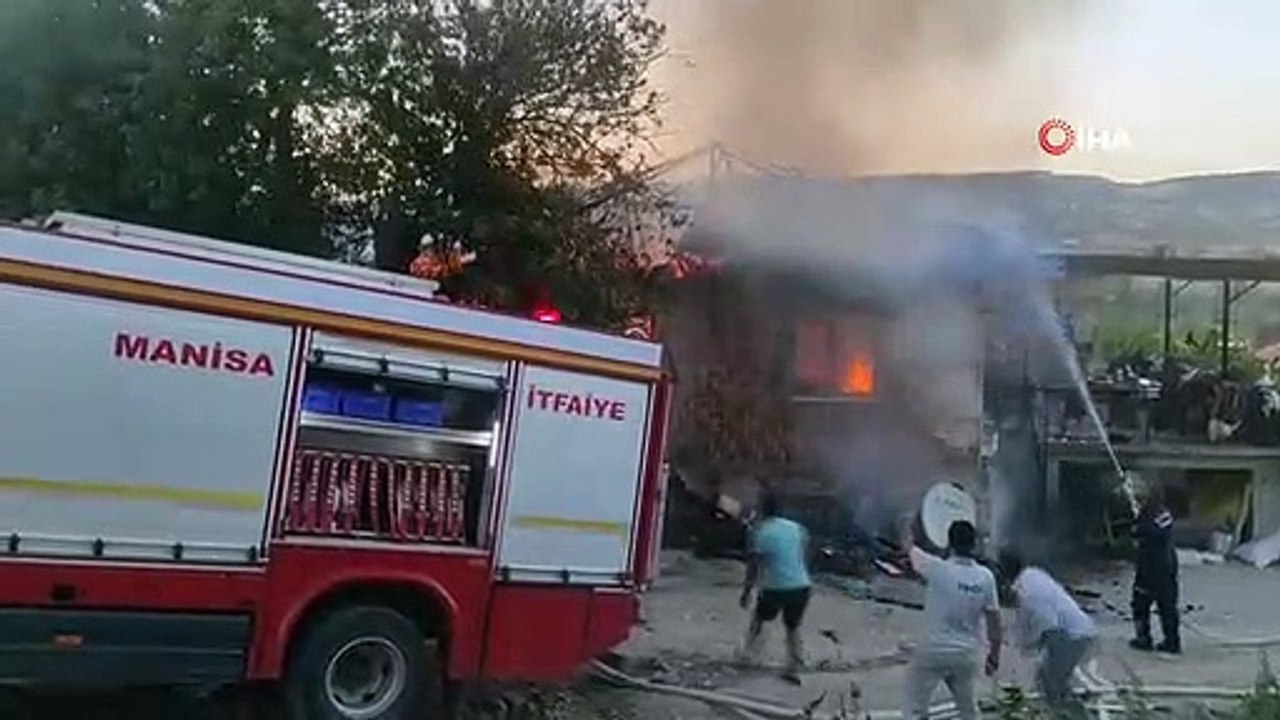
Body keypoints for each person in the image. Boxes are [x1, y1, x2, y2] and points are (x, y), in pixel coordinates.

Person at [900, 517, 1002, 720]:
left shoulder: (937, 568)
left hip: (932, 651)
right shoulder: (985, 577)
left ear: (948, 543)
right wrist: (994, 656)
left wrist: (908, 522)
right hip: (966, 655)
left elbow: (908, 547)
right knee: (968, 711)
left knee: (915, 709)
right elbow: (994, 623)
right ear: (974, 544)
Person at [998, 549, 1097, 713]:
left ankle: (1072, 714)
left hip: (1071, 636)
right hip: (1079, 630)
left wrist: (1028, 644)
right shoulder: (1033, 575)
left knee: (1052, 685)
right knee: (1049, 679)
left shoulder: (1025, 591)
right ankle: (1066, 710)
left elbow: (1048, 624)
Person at [738, 493, 812, 684]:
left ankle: (748, 656)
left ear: (762, 510)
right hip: (802, 585)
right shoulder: (797, 528)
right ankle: (794, 664)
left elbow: (753, 567)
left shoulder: (760, 532)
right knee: (792, 627)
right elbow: (805, 551)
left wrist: (746, 592)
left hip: (776, 587)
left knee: (760, 620)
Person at [1130, 485, 1181, 654]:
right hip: (1146, 566)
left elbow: (1153, 532)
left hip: (1162, 567)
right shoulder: (1144, 514)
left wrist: (1139, 528)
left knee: (1166, 606)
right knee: (1139, 603)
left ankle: (1172, 641)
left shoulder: (1162, 514)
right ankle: (1143, 638)